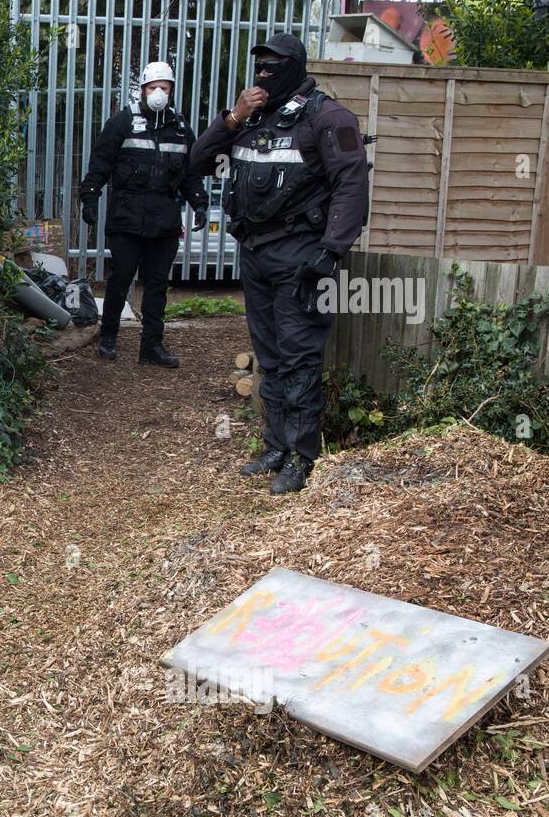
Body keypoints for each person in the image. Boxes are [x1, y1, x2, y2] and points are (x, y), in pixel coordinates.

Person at [190, 32, 369, 494]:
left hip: (300, 256)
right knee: (269, 357)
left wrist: (330, 252)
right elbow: (200, 159)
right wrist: (233, 116)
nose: (264, 74)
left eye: (274, 65)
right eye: (260, 66)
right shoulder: (253, 119)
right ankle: (275, 446)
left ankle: (301, 457)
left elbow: (351, 187)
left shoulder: (328, 118)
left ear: (296, 66)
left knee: (299, 359)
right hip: (255, 253)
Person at [80, 61, 209, 366]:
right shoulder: (122, 122)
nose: (159, 93)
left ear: (172, 90)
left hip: (164, 220)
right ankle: (108, 336)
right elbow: (101, 162)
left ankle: (151, 346)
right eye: (153, 87)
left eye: (165, 88)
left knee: (156, 285)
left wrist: (199, 202)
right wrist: (90, 196)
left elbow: (190, 174)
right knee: (120, 279)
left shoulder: (180, 130)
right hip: (126, 216)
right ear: (143, 90)